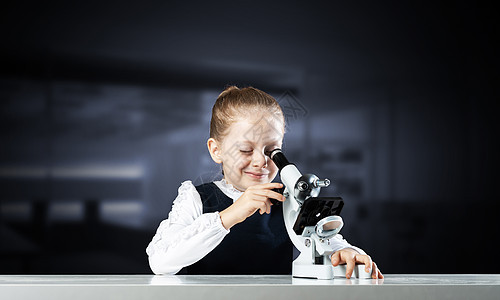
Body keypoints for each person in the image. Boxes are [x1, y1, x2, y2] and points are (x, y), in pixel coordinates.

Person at [146, 86, 383, 279]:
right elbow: (160, 261)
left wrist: (346, 253)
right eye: (246, 149)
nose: (261, 160)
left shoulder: (289, 200)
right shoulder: (196, 198)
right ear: (216, 150)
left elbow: (327, 243)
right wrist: (231, 215)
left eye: (272, 150)